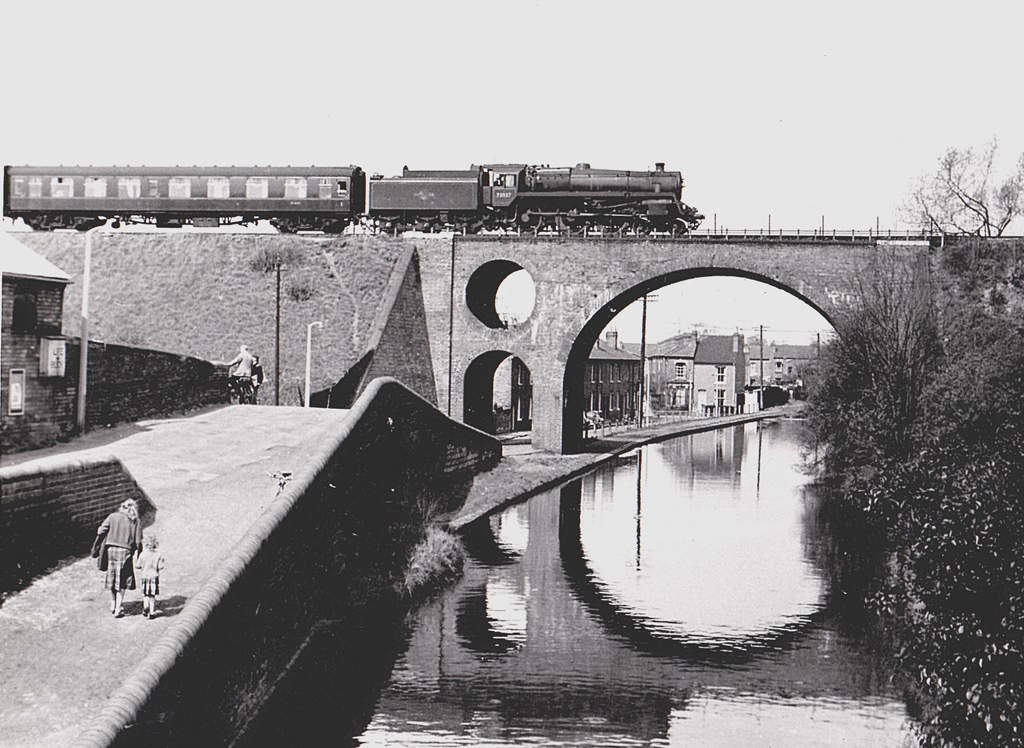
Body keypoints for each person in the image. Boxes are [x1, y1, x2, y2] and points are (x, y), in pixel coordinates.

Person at [94, 499, 142, 617]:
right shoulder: (135, 521)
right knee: (122, 579)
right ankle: (118, 607)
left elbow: (101, 530)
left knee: (112, 576)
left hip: (111, 550)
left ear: (122, 507)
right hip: (125, 551)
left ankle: (113, 602)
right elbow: (138, 541)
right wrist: (138, 553)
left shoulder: (112, 516)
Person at [136, 535, 165, 619]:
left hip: (145, 576)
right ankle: (152, 612)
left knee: (146, 594)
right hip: (154, 576)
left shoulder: (143, 554)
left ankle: (145, 607)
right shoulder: (158, 555)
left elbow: (137, 565)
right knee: (152, 595)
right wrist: (163, 562)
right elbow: (160, 567)